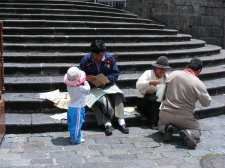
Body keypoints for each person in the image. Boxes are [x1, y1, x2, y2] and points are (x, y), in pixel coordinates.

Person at [158, 58, 211, 149]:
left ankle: (167, 128)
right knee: (196, 130)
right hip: (184, 117)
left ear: (187, 66)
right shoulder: (198, 83)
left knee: (161, 126)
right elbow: (206, 103)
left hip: (165, 112)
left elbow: (161, 91)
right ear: (199, 71)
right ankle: (189, 133)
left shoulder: (173, 74)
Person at [79, 40, 129, 136]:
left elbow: (115, 74)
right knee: (100, 101)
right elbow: (79, 75)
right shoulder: (86, 60)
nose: (98, 58)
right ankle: (107, 124)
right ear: (92, 53)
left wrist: (106, 79)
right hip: (93, 87)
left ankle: (121, 121)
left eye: (101, 55)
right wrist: (86, 77)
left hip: (108, 85)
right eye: (96, 56)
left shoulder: (109, 58)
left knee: (118, 94)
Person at [136, 56, 170, 128]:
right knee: (154, 100)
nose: (163, 71)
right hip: (143, 99)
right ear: (156, 68)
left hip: (158, 99)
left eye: (165, 69)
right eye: (161, 69)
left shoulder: (166, 77)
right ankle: (153, 123)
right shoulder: (148, 73)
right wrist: (150, 82)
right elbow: (138, 85)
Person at [64, 66, 90, 144]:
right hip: (78, 108)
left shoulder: (68, 86)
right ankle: (75, 139)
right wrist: (85, 81)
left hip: (71, 107)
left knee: (72, 123)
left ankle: (74, 135)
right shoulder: (81, 88)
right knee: (77, 124)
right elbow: (88, 89)